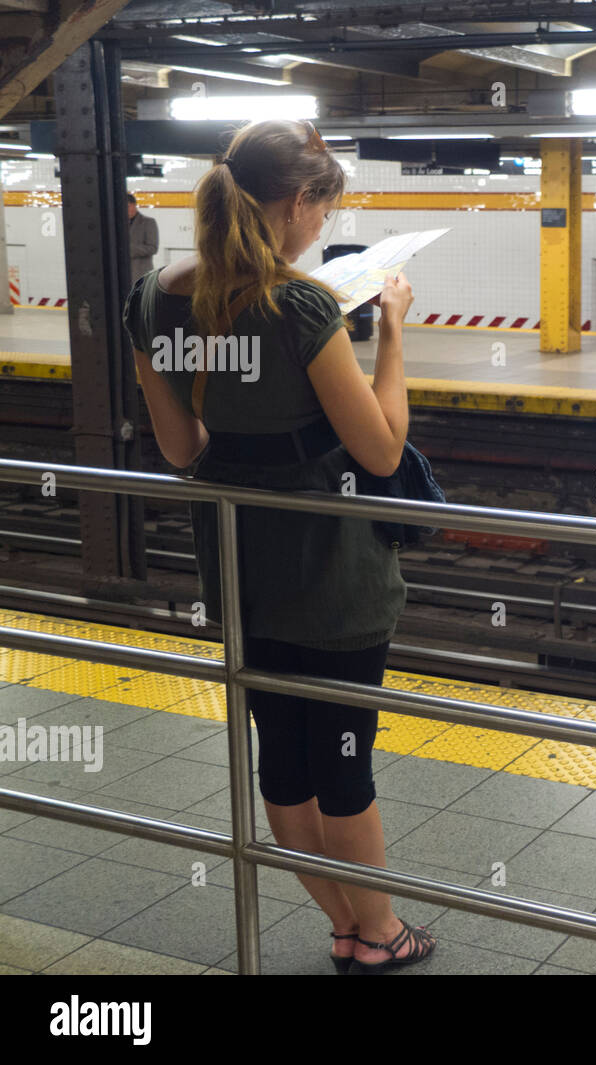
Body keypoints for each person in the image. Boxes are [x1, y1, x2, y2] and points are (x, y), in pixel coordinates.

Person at [121, 119, 435, 975]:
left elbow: (183, 451)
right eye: (322, 214)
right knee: (347, 761)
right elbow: (379, 451)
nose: (320, 231)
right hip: (334, 581)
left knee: (286, 761)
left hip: (241, 572)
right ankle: (378, 935)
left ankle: (351, 924)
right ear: (298, 202)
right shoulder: (298, 305)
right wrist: (394, 330)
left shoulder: (151, 299)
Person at [126, 193, 159, 282]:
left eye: (128, 206)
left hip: (141, 275)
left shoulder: (149, 222)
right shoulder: (116, 223)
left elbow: (153, 248)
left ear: (134, 205)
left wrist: (127, 249)